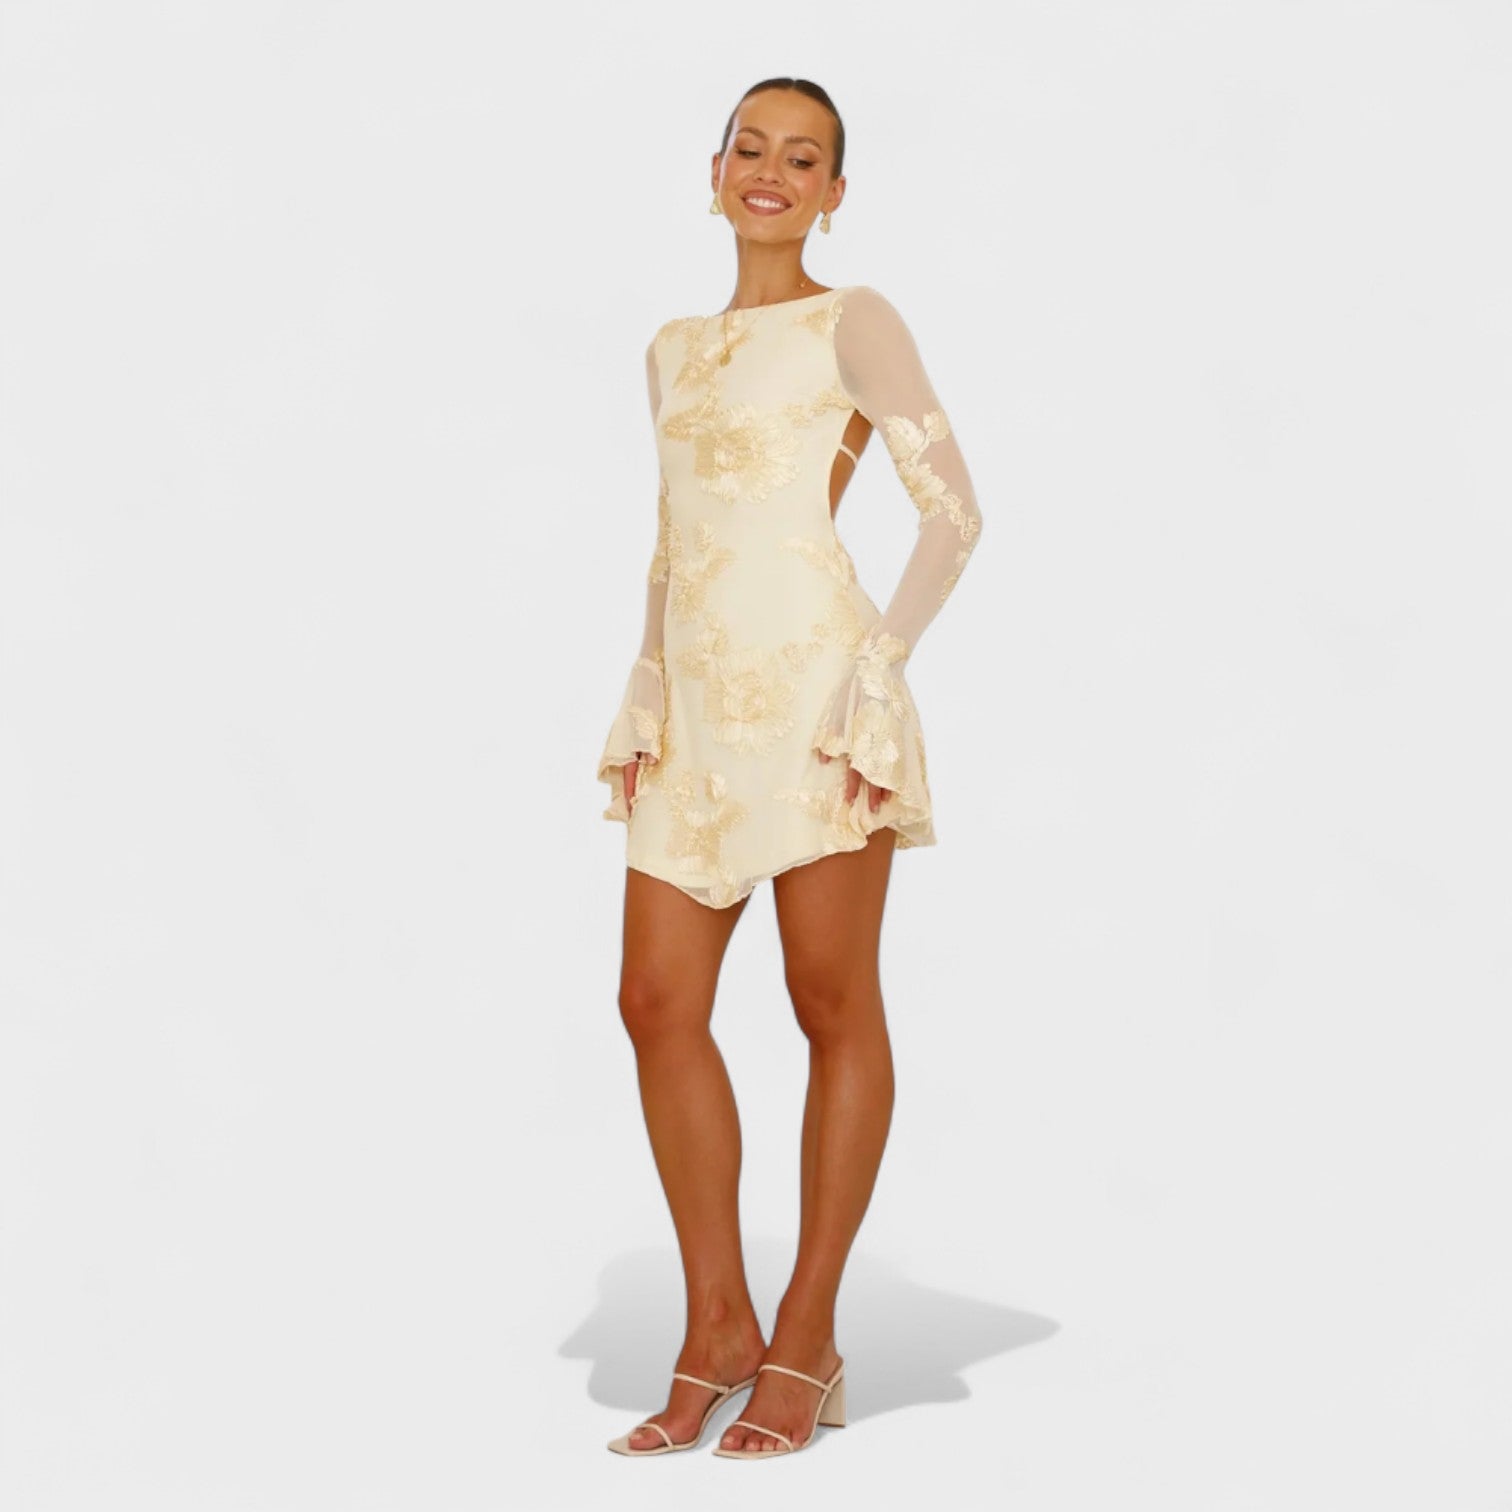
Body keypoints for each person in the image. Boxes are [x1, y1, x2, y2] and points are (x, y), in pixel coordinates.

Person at [598, 76, 984, 1459]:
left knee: (829, 1001)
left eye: (802, 157)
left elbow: (954, 514)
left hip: (820, 707)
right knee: (654, 1002)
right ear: (714, 172)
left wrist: (876, 673)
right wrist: (648, 686)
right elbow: (678, 531)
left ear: (833, 192)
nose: (771, 171)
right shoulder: (670, 349)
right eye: (750, 148)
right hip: (698, 720)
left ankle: (806, 1332)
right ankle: (716, 1323)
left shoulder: (851, 320)